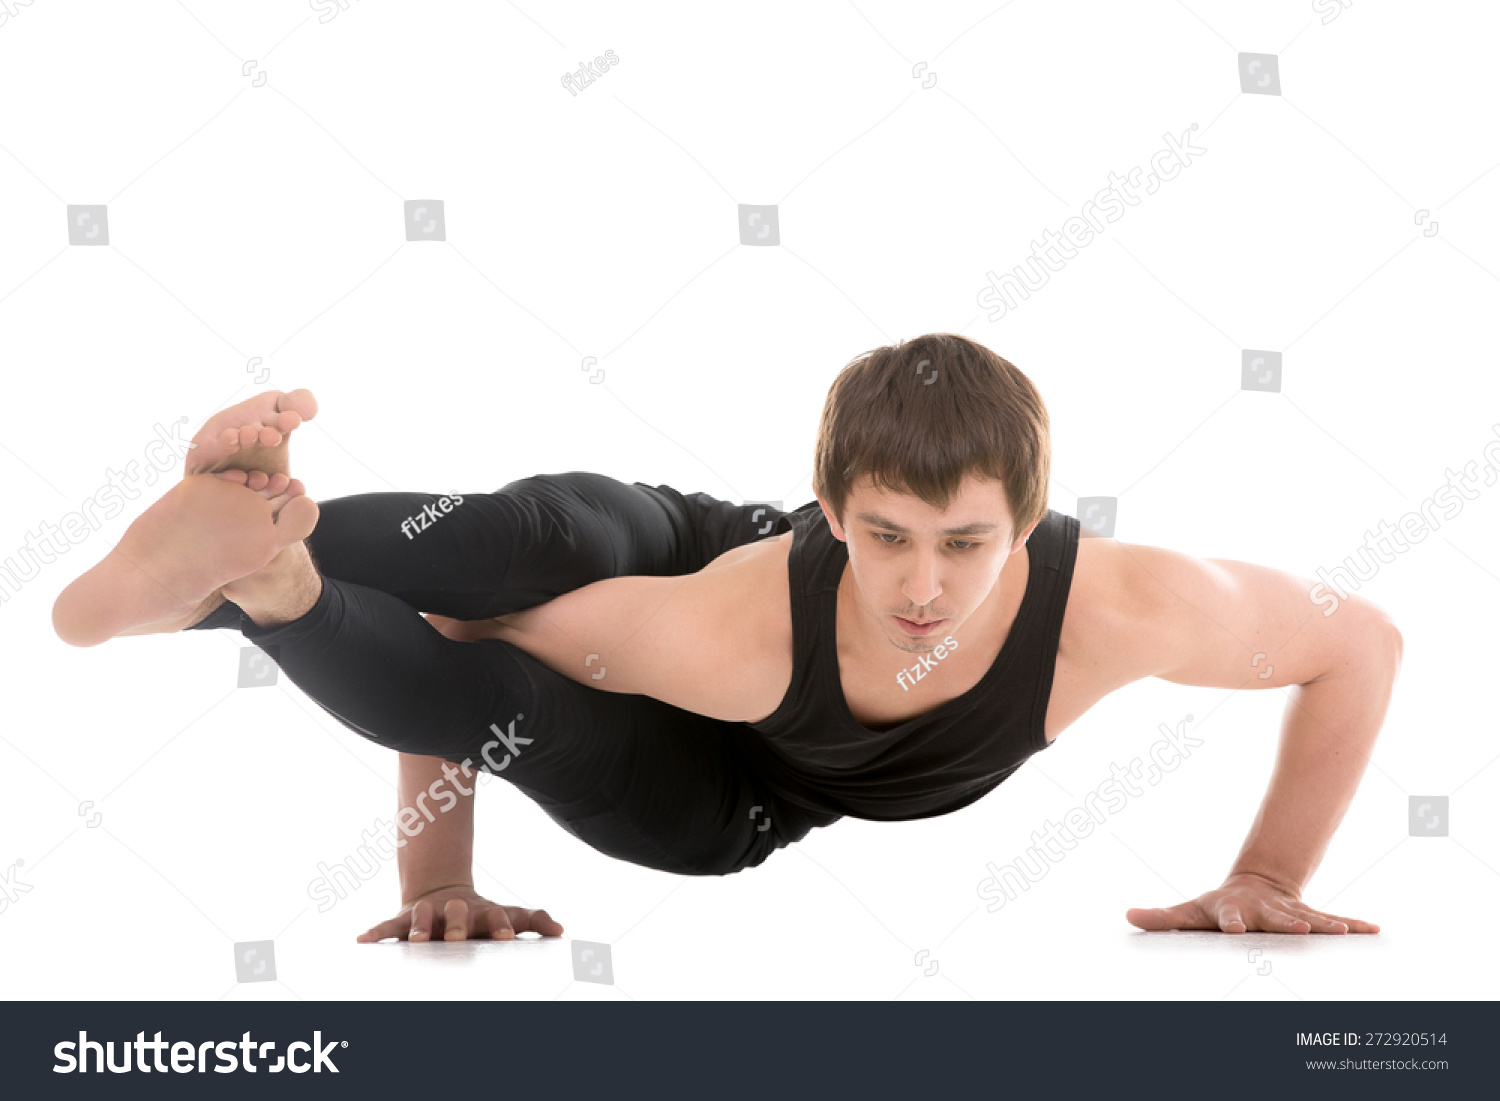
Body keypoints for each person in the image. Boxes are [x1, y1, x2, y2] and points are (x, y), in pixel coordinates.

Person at [51, 333, 1399, 943]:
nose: (922, 585)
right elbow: (452, 623)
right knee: (542, 531)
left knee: (527, 690)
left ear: (1037, 519)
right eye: (884, 534)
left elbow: (1368, 641)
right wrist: (435, 876)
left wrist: (1270, 872)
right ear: (832, 509)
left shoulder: (1137, 602)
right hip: (704, 573)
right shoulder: (728, 623)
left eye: (967, 542)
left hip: (724, 793)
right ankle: (244, 549)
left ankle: (260, 577)